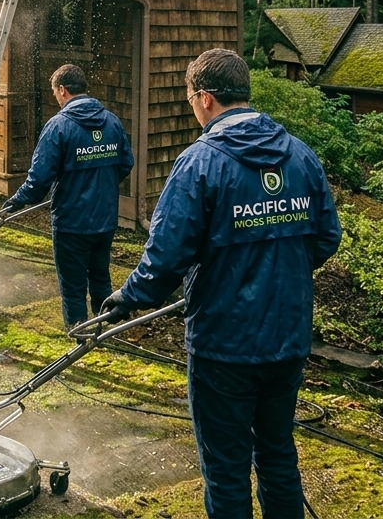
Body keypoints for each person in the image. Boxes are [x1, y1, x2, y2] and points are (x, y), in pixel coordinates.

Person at [101, 49, 342, 519]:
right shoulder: (300, 155)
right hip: (288, 340)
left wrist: (128, 297)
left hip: (223, 348)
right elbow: (326, 238)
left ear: (205, 98)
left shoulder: (200, 163)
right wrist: (279, 269)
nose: (193, 109)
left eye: (192, 100)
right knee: (277, 455)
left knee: (227, 470)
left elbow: (166, 257)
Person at [2, 64, 133, 328]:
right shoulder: (112, 121)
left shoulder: (58, 127)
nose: (56, 99)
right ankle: (104, 329)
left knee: (73, 284)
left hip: (71, 222)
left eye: (55, 94)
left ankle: (79, 335)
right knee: (100, 276)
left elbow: (39, 180)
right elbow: (126, 163)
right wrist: (101, 185)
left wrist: (17, 199)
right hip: (105, 219)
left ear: (62, 90)